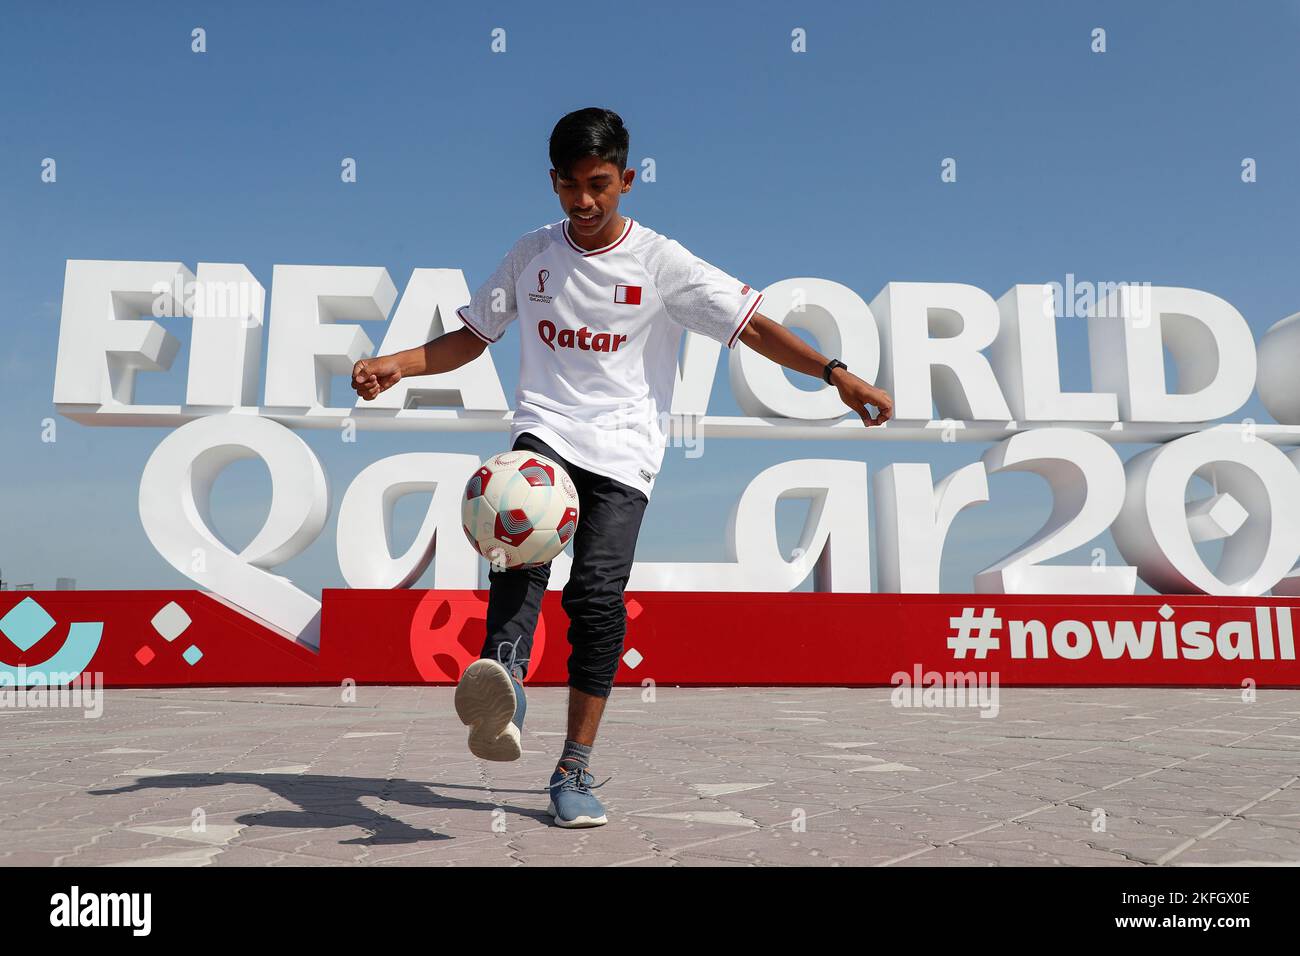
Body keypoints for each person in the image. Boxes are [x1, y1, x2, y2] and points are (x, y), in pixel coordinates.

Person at [352, 107, 893, 828]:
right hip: (546, 431)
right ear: (552, 183)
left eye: (599, 185)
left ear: (628, 180)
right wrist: (398, 364)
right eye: (570, 186)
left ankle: (573, 767)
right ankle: (503, 676)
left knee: (597, 600)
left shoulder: (662, 263)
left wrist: (835, 372)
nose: (584, 201)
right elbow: (471, 337)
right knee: (517, 545)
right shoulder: (531, 253)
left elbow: (754, 326)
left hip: (626, 450)